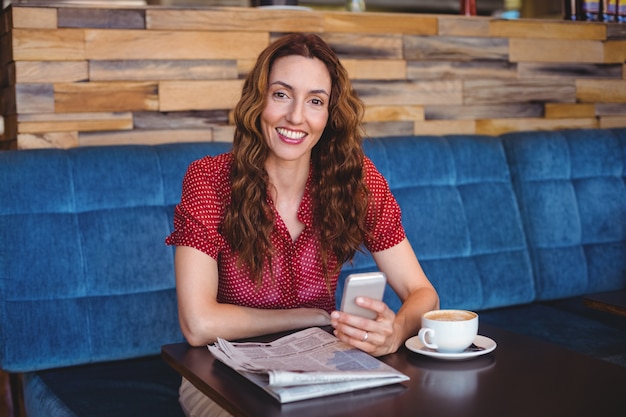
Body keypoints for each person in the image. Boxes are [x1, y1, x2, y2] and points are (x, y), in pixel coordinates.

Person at [165, 32, 439, 417]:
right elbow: (198, 324)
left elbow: (422, 292)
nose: (296, 116)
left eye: (315, 101)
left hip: (323, 365)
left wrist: (395, 332)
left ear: (329, 115)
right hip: (222, 376)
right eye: (281, 94)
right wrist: (314, 316)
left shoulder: (356, 181)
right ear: (257, 100)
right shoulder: (209, 179)